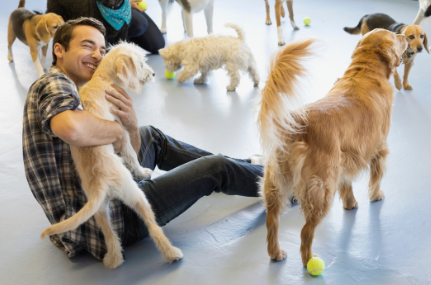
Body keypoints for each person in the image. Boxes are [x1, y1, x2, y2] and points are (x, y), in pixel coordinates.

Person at [23, 17, 263, 261]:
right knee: (216, 167)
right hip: (110, 218)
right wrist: (117, 132)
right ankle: (282, 183)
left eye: (102, 49)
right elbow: (70, 129)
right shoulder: (53, 82)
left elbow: (126, 158)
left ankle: (246, 166)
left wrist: (131, 126)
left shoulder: (84, 89)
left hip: (109, 186)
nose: (97, 55)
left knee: (151, 135)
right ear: (59, 50)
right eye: (87, 46)